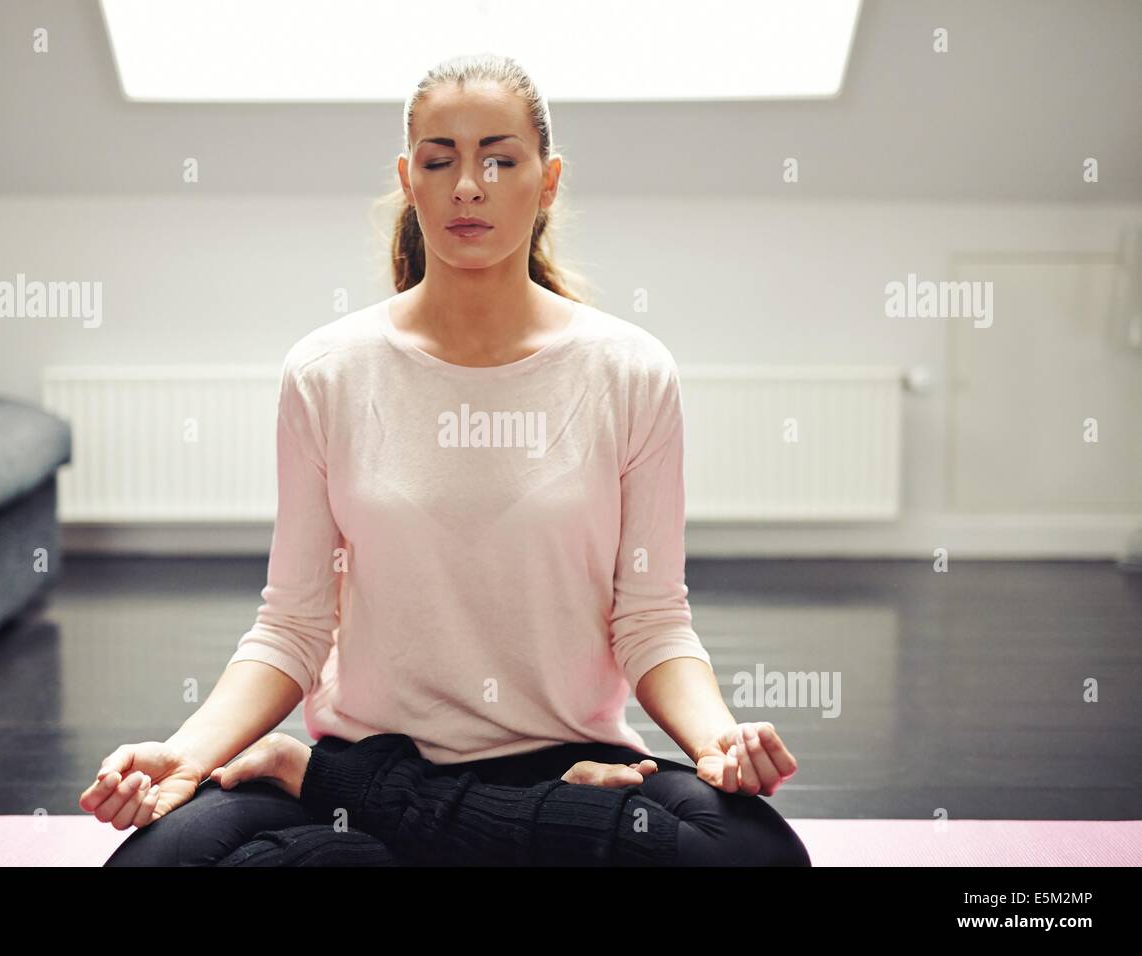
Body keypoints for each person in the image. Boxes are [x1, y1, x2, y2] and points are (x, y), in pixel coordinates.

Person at [80, 52, 810, 867]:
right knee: (150, 867)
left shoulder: (629, 371)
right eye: (440, 160)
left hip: (565, 758)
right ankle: (481, 826)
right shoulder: (328, 372)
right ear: (410, 179)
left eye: (499, 158)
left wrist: (719, 741)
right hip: (374, 753)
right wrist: (185, 752)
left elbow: (650, 619)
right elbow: (291, 623)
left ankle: (343, 794)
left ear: (548, 179)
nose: (469, 184)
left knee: (755, 860)